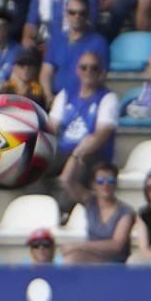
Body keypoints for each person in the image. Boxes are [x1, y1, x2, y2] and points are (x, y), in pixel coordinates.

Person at [48, 51, 119, 207]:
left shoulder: (108, 98)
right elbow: (51, 127)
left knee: (79, 164)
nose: (88, 72)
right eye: (84, 67)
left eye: (94, 68)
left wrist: (76, 155)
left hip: (93, 153)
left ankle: (66, 210)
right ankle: (41, 204)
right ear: (77, 70)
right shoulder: (65, 95)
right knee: (36, 162)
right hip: (63, 150)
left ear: (101, 72)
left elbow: (101, 135)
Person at [61, 162, 133, 264]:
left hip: (115, 263)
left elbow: (117, 245)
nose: (105, 184)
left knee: (73, 258)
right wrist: (77, 155)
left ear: (116, 183)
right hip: (92, 257)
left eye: (110, 180)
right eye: (100, 181)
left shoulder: (125, 211)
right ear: (93, 184)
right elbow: (66, 180)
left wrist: (80, 246)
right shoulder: (91, 203)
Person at [40, 0, 109, 97]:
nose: (77, 16)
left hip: (83, 99)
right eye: (72, 12)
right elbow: (46, 72)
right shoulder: (56, 40)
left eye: (82, 13)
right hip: (55, 98)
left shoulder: (99, 43)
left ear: (88, 15)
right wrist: (48, 96)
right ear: (66, 13)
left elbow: (101, 77)